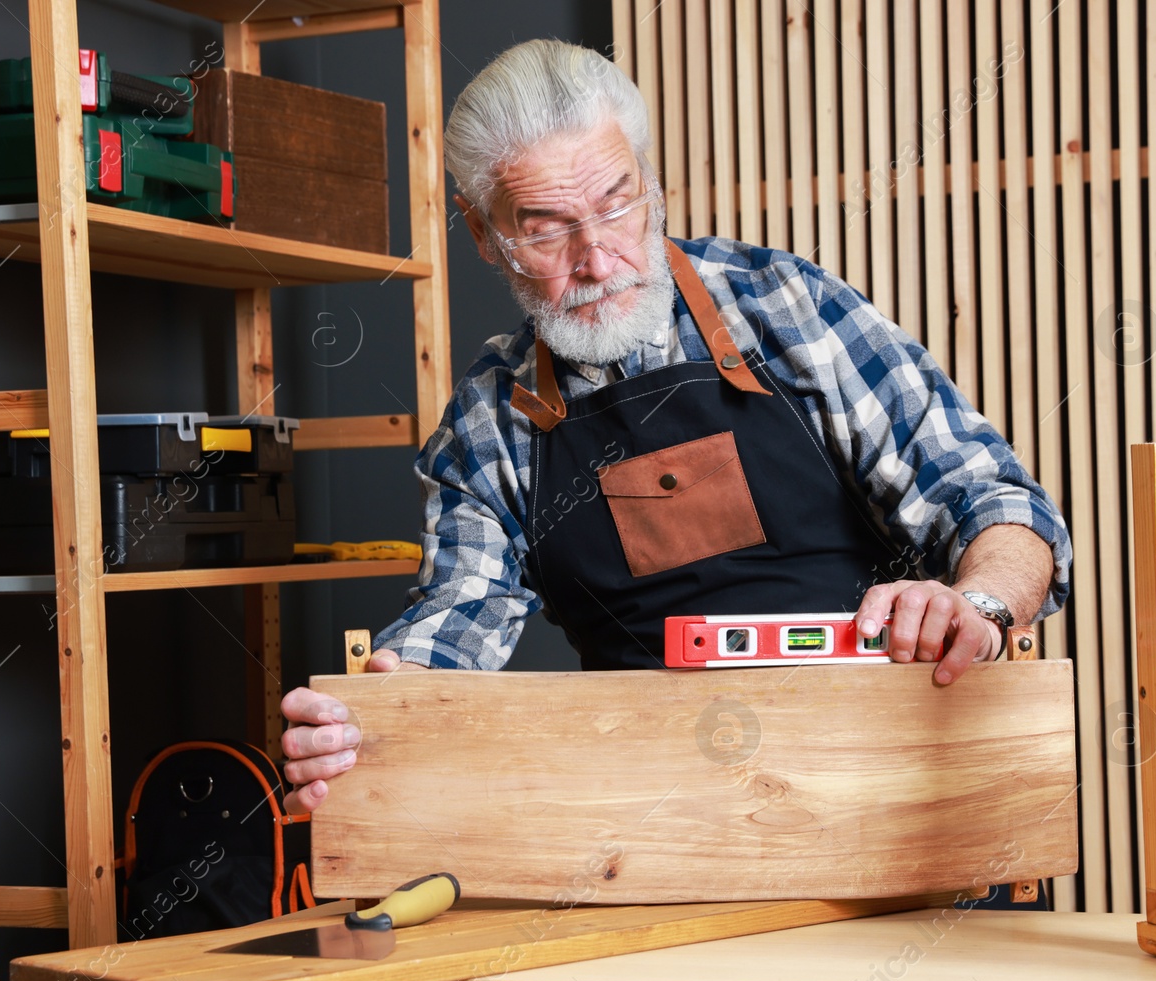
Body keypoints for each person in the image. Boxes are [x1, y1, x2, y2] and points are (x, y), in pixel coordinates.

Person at [277, 38, 1070, 812]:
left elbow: (994, 501)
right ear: (485, 233)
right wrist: (366, 727)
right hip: (659, 825)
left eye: (618, 202)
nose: (597, 256)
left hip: (896, 796)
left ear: (654, 185)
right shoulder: (491, 422)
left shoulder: (786, 309)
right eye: (546, 227)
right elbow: (456, 624)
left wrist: (984, 606)